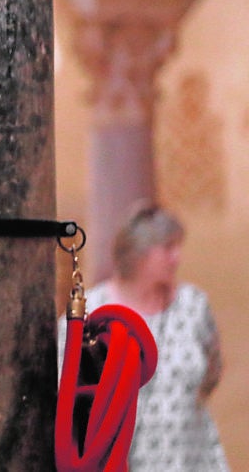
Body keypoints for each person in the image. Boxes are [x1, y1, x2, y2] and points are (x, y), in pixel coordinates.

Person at [77, 202, 230, 471]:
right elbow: (70, 390)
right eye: (168, 248)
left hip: (193, 458)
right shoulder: (94, 312)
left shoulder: (193, 304)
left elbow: (212, 369)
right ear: (138, 253)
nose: (177, 258)